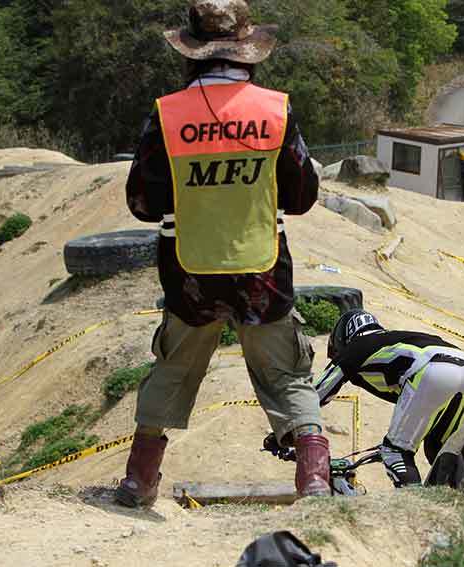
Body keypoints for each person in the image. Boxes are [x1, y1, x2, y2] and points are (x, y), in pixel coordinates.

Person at [117, 0, 330, 508]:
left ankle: (138, 481)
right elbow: (300, 196)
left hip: (189, 271)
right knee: (285, 373)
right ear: (248, 53)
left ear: (191, 53)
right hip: (262, 268)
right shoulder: (275, 110)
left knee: (172, 366)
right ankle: (315, 479)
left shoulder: (168, 114)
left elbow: (141, 203)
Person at [314, 310, 464, 487]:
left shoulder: (355, 347)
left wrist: (283, 433)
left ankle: (414, 506)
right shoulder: (391, 339)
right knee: (440, 448)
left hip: (430, 370)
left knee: (395, 451)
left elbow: (315, 395)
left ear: (342, 337)